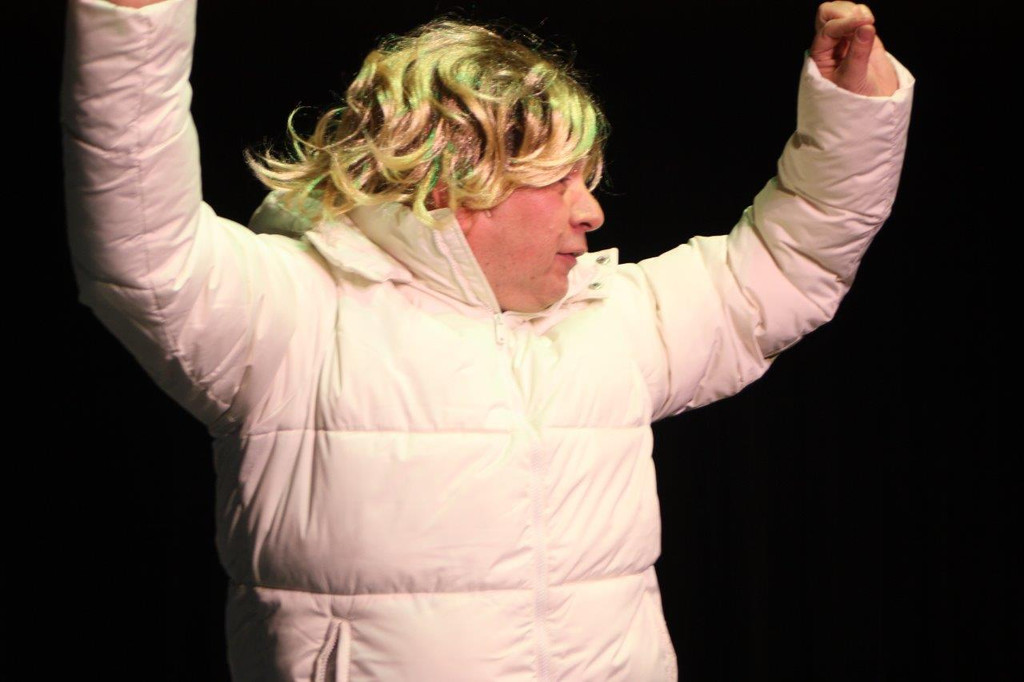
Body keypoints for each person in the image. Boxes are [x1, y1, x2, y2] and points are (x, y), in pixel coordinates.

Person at [61, 0, 913, 679]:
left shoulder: (611, 319)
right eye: (561, 179)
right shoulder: (292, 316)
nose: (592, 210)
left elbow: (790, 261)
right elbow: (143, 249)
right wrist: (134, 21)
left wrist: (855, 113)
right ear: (455, 176)